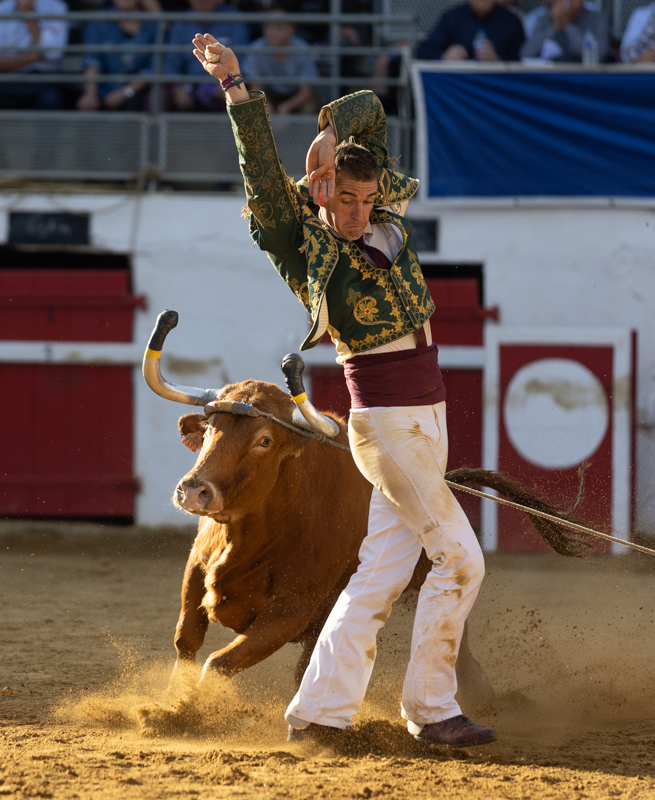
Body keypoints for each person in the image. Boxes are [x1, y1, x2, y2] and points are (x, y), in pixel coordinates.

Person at [191, 31, 496, 750]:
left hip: (425, 414)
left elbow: (371, 112)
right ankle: (432, 708)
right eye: (343, 197)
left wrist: (331, 134)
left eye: (365, 197)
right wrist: (236, 88)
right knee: (460, 559)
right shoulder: (303, 244)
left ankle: (317, 714)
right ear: (321, 193)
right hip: (386, 421)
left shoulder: (380, 213)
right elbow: (263, 180)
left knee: (380, 574)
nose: (356, 210)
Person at [0, 0, 69, 109]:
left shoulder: (56, 7)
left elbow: (54, 54)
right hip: (6, 83)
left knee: (51, 99)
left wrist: (28, 14)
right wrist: (33, 56)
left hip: (43, 82)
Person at [163, 0, 248, 110]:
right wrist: (178, 88)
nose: (202, 1)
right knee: (159, 98)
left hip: (223, 81)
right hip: (189, 86)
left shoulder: (232, 18)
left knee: (235, 96)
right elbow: (171, 63)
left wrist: (228, 81)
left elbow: (242, 57)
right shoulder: (181, 23)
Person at [77, 0, 157, 112]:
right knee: (87, 103)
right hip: (104, 88)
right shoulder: (99, 21)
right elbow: (92, 60)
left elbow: (153, 68)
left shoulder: (152, 24)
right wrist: (91, 94)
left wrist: (125, 92)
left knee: (140, 102)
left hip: (136, 91)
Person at [241, 10, 319, 114]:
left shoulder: (302, 49)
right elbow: (255, 88)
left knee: (310, 107)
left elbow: (307, 91)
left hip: (296, 95)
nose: (272, 32)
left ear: (291, 29)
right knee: (253, 106)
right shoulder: (256, 49)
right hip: (269, 95)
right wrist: (265, 105)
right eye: (268, 26)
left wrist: (286, 107)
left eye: (278, 27)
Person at [416, 0, 526, 62]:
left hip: (496, 87)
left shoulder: (511, 22)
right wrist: (444, 56)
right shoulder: (452, 17)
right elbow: (423, 51)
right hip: (459, 85)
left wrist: (498, 61)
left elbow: (523, 61)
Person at [520, 0, 608, 59]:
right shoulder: (544, 18)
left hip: (585, 76)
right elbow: (526, 54)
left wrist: (567, 26)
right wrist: (553, 28)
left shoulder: (596, 18)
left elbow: (599, 54)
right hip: (551, 75)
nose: (568, 2)